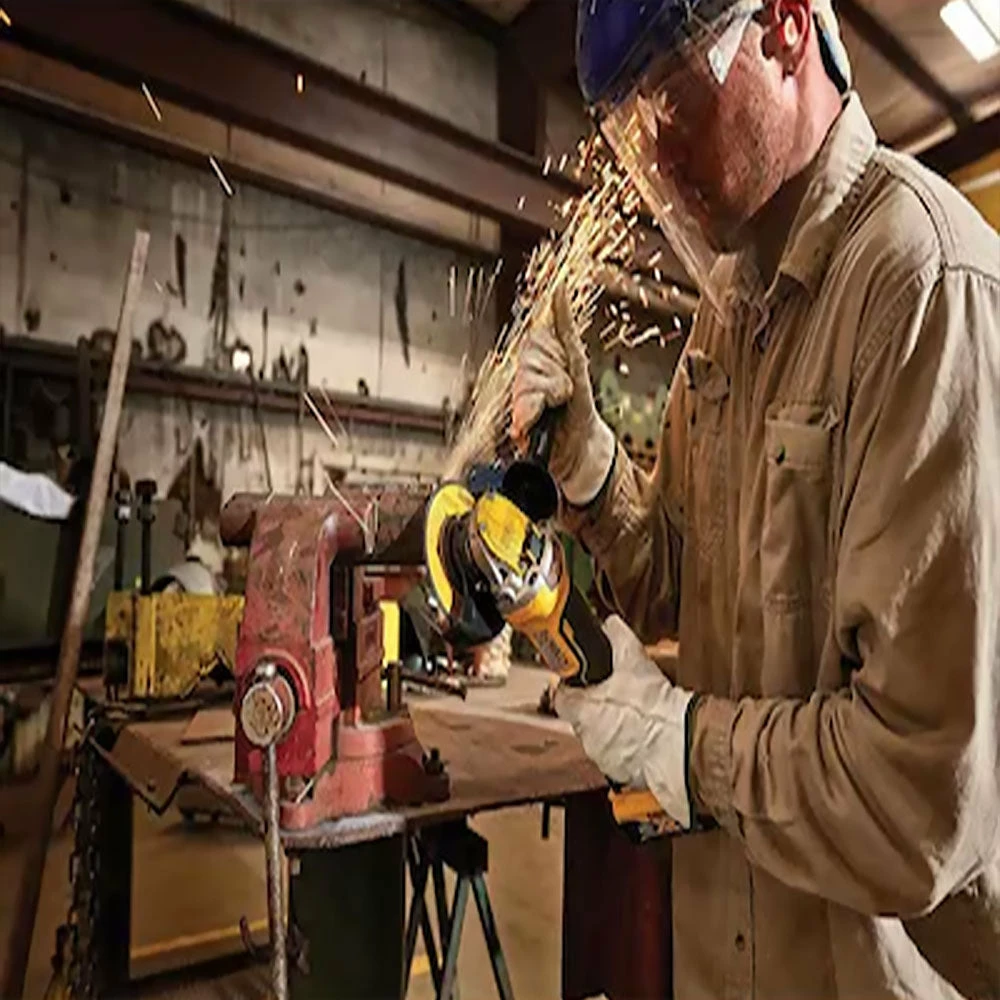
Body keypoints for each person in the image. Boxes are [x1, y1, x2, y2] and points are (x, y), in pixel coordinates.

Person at [512, 1, 1000, 996]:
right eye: (633, 133)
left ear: (782, 26)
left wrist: (681, 746)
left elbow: (917, 802)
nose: (657, 164)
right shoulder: (727, 314)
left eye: (672, 103)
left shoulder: (920, 285)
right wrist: (588, 466)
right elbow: (681, 588)